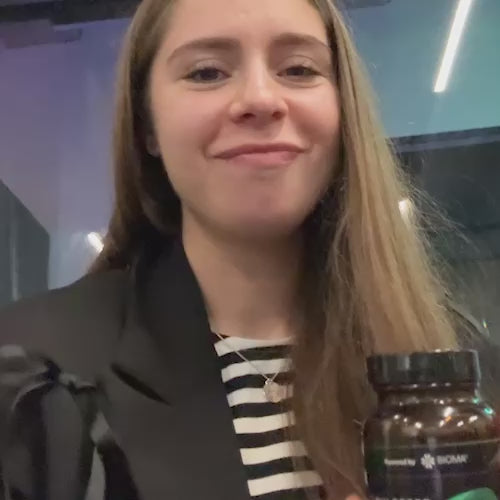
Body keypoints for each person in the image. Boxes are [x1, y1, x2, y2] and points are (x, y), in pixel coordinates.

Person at [0, 0, 492, 499]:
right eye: (207, 72)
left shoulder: (458, 362)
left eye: (298, 69)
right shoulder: (32, 378)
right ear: (148, 126)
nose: (260, 98)